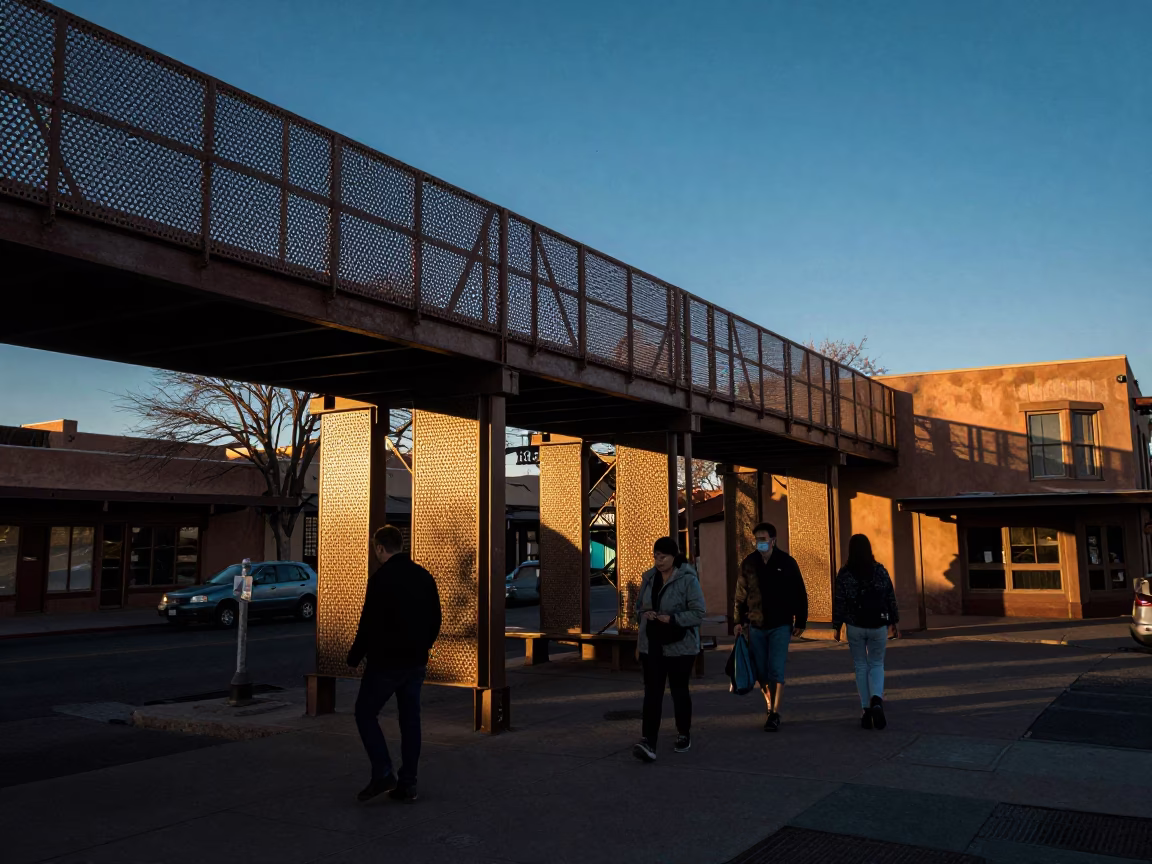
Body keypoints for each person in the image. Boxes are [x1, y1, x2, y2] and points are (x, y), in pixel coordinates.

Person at [348, 525, 441, 802]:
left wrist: (354, 656)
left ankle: (383, 771)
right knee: (410, 721)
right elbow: (435, 619)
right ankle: (408, 784)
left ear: (379, 548)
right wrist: (423, 646)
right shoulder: (424, 577)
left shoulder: (380, 579)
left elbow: (368, 623)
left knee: (365, 713)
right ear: (402, 545)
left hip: (386, 663)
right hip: (415, 662)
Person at [631, 536, 706, 763]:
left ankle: (684, 733)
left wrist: (672, 618)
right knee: (652, 694)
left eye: (662, 556)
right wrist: (645, 614)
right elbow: (636, 609)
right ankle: (648, 741)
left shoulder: (687, 579)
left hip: (680, 645)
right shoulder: (649, 578)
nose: (658, 560)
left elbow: (698, 612)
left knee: (679, 691)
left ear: (674, 557)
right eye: (655, 556)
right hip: (652, 644)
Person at [733, 522, 808, 732]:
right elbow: (740, 595)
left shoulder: (787, 562)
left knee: (776, 669)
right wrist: (738, 621)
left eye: (763, 539)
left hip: (780, 625)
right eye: (757, 539)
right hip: (756, 625)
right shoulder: (749, 563)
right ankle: (768, 704)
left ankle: (774, 713)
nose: (760, 543)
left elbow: (799, 593)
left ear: (773, 540)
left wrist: (800, 621)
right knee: (761, 671)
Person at [832, 533, 900, 730]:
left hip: (855, 625)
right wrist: (894, 621)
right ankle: (877, 700)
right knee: (877, 663)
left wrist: (837, 626)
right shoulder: (880, 571)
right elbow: (890, 596)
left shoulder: (845, 574)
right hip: (878, 624)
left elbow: (840, 601)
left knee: (861, 666)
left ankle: (866, 709)